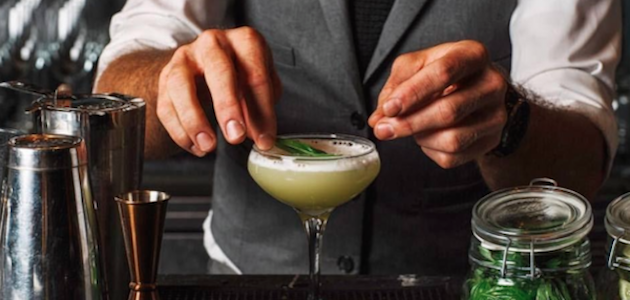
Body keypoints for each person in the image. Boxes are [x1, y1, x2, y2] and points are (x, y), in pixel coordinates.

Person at [95, 0, 621, 275]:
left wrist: (511, 122)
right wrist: (170, 80)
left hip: (454, 284)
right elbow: (122, 81)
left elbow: (579, 162)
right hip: (248, 275)